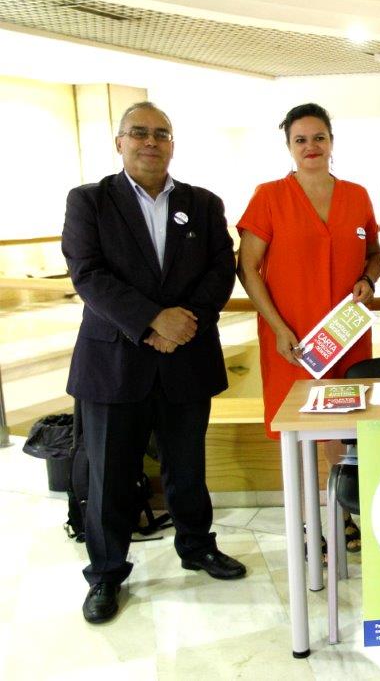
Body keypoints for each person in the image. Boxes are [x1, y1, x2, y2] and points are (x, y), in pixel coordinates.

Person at [62, 102, 245, 625]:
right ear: (119, 142)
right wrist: (151, 321)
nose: (150, 141)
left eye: (161, 134)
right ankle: (105, 573)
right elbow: (87, 273)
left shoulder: (202, 203)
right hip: (114, 362)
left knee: (187, 467)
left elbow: (220, 270)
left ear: (172, 144)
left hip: (186, 356)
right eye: (139, 132)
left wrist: (183, 323)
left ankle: (196, 546)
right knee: (110, 477)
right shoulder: (90, 201)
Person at [236, 103, 380, 553]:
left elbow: (374, 254)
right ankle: (305, 522)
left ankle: (343, 515)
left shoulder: (356, 195)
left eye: (319, 137)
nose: (311, 146)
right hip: (293, 339)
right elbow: (247, 267)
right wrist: (278, 327)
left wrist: (369, 279)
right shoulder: (269, 196)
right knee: (298, 430)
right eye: (301, 139)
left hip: (345, 336)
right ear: (289, 147)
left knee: (344, 425)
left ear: (332, 142)